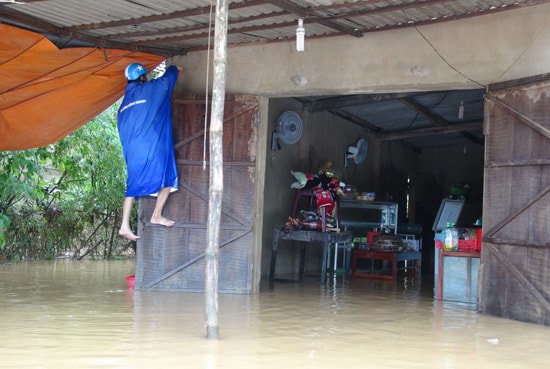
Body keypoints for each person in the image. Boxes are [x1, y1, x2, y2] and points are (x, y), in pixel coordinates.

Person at [117, 62, 182, 241]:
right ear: (143, 77)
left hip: (132, 153)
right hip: (150, 148)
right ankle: (156, 215)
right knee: (168, 178)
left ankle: (124, 225)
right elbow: (166, 82)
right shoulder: (149, 90)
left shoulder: (123, 106)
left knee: (132, 185)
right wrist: (174, 69)